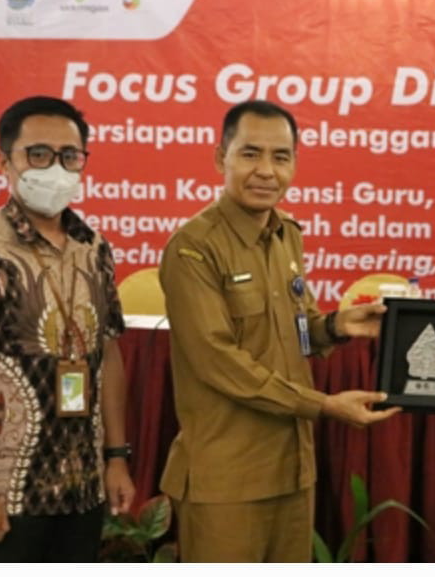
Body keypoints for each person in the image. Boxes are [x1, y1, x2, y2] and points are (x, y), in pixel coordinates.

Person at [158, 99, 401, 562]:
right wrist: (322, 405)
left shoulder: (287, 234)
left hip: (292, 469)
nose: (266, 171)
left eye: (281, 156)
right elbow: (217, 361)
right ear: (221, 158)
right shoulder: (193, 248)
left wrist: (337, 325)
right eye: (250, 154)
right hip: (226, 477)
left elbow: (297, 330)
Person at [0, 96, 135, 562]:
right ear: (5, 162)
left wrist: (116, 457)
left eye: (68, 156)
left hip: (83, 489)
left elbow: (109, 356)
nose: (54, 168)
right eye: (38, 154)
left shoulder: (94, 249)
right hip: (3, 495)